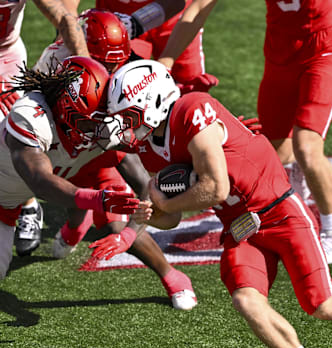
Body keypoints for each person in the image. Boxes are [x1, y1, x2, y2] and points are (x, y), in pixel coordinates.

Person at [91, 59, 332, 348]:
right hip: (241, 229)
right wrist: (153, 215)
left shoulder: (191, 108)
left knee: (324, 306)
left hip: (279, 211)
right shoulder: (148, 147)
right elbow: (173, 218)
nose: (125, 125)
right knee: (246, 300)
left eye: (129, 115)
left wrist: (163, 201)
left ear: (152, 101)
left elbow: (215, 187)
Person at [156, 0, 332, 265]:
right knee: (276, 151)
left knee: (306, 147)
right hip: (280, 51)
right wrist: (164, 63)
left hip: (323, 48)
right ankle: (298, 178)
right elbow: (199, 6)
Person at [32, 11, 198, 311]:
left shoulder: (123, 69)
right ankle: (75, 224)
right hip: (63, 144)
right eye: (105, 61)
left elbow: (140, 140)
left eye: (116, 61)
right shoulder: (58, 63)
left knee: (115, 218)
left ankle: (171, 274)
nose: (112, 68)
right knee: (64, 192)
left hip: (100, 148)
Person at [0, 56, 140, 280]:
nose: (94, 131)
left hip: (5, 208)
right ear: (65, 108)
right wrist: (96, 199)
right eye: (88, 123)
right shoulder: (32, 116)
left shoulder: (90, 127)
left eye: (100, 122)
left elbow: (141, 173)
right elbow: (39, 180)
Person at [0, 0, 91, 256]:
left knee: (13, 131)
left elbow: (65, 18)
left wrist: (87, 71)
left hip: (6, 55)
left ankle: (27, 204)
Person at [95, 0, 219, 93]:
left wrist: (164, 66)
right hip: (121, 19)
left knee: (191, 92)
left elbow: (198, 10)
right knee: (121, 88)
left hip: (176, 20)